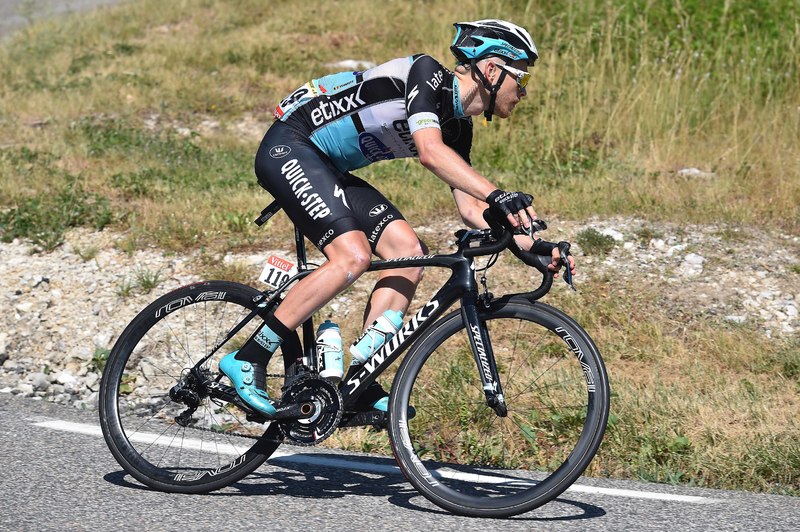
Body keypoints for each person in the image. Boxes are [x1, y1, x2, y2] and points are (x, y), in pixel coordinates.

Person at [220, 19, 577, 416]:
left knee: (408, 253)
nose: (523, 92)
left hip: (327, 168)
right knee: (352, 256)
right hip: (291, 146)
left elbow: (471, 208)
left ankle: (359, 383)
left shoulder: (458, 127)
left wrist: (532, 245)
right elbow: (429, 151)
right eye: (520, 79)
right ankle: (248, 357)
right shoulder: (427, 74)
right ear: (492, 71)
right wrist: (498, 193)